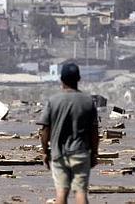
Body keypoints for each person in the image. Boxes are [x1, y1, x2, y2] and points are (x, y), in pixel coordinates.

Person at [38, 63, 99, 204]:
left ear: (61, 79)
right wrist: (94, 153)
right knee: (81, 192)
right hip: (81, 152)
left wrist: (45, 151)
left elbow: (45, 129)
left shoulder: (53, 101)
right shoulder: (88, 101)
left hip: (58, 153)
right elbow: (94, 131)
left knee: (61, 192)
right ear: (78, 78)